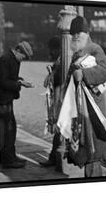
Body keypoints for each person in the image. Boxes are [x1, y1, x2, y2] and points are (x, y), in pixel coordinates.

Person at [67, 16, 106, 177]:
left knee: (93, 150)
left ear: (87, 33)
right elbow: (72, 77)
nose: (76, 36)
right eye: (73, 33)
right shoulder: (75, 54)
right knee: (85, 147)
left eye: (79, 32)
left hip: (93, 107)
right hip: (80, 108)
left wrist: (85, 74)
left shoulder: (95, 49)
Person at [0, 41, 34, 168]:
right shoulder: (4, 59)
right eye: (23, 56)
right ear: (18, 51)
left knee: (11, 128)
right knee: (5, 130)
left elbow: (10, 78)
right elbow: (3, 82)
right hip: (1, 99)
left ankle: (11, 156)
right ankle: (6, 160)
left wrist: (20, 80)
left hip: (7, 98)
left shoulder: (14, 59)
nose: (23, 60)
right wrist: (20, 84)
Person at [39, 36, 63, 168]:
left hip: (60, 100)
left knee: (59, 130)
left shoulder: (61, 62)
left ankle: (55, 158)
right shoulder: (59, 62)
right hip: (58, 98)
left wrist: (55, 107)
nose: (50, 53)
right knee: (58, 132)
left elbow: (58, 85)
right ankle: (54, 157)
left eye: (51, 50)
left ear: (57, 49)